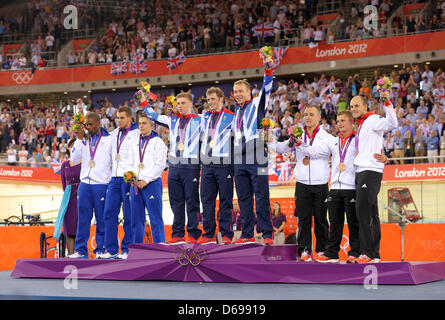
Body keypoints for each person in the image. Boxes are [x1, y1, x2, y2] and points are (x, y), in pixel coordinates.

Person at [270, 105, 331, 261]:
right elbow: (281, 148)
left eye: (311, 114)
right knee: (303, 219)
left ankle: (323, 251)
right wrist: (268, 138)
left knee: (321, 219)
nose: (308, 117)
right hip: (302, 183)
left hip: (320, 183)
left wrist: (299, 144)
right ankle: (304, 250)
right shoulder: (298, 134)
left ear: (319, 118)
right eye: (305, 114)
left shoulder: (326, 137)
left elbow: (316, 152)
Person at [141, 92, 203, 244]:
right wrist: (143, 102)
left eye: (183, 103)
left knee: (192, 201)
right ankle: (178, 234)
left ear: (190, 105)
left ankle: (194, 234)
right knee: (176, 202)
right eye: (178, 103)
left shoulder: (201, 120)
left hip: (191, 166)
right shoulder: (172, 120)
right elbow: (153, 115)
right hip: (174, 166)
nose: (180, 106)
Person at [231, 51, 275, 245]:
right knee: (243, 198)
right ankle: (247, 233)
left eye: (241, 91)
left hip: (257, 153)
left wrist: (268, 68)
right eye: (236, 91)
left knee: (262, 195)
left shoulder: (257, 103)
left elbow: (267, 87)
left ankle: (267, 234)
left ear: (249, 93)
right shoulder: (235, 112)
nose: (238, 94)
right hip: (239, 156)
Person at [351, 90, 397, 264]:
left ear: (365, 106)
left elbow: (393, 123)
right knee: (371, 214)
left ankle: (367, 253)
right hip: (362, 170)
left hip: (370, 171)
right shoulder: (362, 124)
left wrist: (387, 103)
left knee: (362, 213)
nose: (354, 109)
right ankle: (374, 254)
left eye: (357, 106)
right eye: (352, 106)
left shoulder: (372, 120)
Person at [68, 112, 112, 259]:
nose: (87, 127)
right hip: (85, 183)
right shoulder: (83, 140)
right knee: (83, 218)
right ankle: (81, 250)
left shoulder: (109, 139)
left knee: (101, 218)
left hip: (101, 183)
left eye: (90, 124)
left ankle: (100, 250)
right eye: (86, 124)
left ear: (99, 124)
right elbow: (74, 158)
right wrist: (79, 140)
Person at [199, 87, 235, 245]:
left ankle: (226, 234)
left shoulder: (231, 117)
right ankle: (208, 234)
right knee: (207, 200)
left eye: (213, 99)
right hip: (207, 164)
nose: (210, 102)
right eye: (208, 99)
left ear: (221, 99)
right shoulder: (204, 117)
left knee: (226, 200)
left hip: (224, 164)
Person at [102, 106, 139, 260]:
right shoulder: (113, 133)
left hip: (128, 178)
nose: (119, 120)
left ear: (130, 118)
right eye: (117, 117)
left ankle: (127, 249)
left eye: (122, 117)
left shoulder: (136, 133)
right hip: (114, 178)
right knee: (109, 213)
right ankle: (111, 250)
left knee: (129, 214)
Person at [129, 111, 167, 245]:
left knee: (155, 218)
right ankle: (137, 249)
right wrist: (132, 177)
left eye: (144, 123)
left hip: (151, 184)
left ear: (152, 125)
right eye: (139, 123)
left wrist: (147, 180)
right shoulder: (134, 142)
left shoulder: (158, 142)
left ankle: (160, 249)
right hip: (135, 185)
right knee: (136, 220)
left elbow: (160, 165)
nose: (141, 126)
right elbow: (132, 162)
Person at [60, 138, 81, 255]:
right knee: (69, 229)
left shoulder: (84, 163)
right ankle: (70, 256)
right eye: (71, 146)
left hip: (81, 198)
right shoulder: (65, 165)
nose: (73, 149)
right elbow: (64, 185)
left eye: (76, 146)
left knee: (80, 227)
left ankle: (80, 254)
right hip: (68, 200)